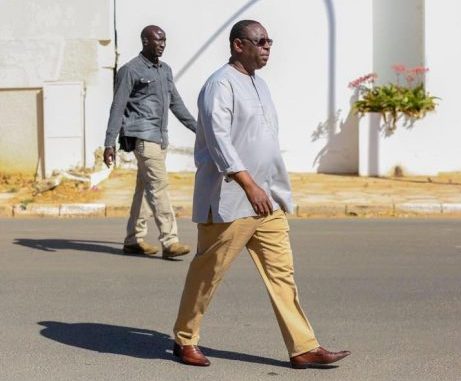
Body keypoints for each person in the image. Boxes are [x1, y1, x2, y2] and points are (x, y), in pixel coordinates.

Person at [171, 20, 351, 369]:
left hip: (266, 201)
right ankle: (184, 338)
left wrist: (272, 190)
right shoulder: (219, 86)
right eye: (260, 41)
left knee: (282, 275)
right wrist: (249, 184)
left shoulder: (260, 85)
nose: (268, 47)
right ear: (239, 45)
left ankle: (303, 347)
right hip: (229, 201)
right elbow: (220, 142)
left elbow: (263, 141)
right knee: (208, 274)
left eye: (270, 41)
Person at [103, 25, 196, 259]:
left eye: (165, 40)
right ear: (145, 41)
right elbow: (117, 107)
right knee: (159, 186)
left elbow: (176, 103)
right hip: (143, 138)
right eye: (158, 40)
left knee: (144, 189)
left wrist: (199, 129)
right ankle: (170, 240)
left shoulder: (165, 70)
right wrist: (109, 142)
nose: (163, 44)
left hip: (160, 137)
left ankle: (133, 239)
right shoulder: (130, 70)